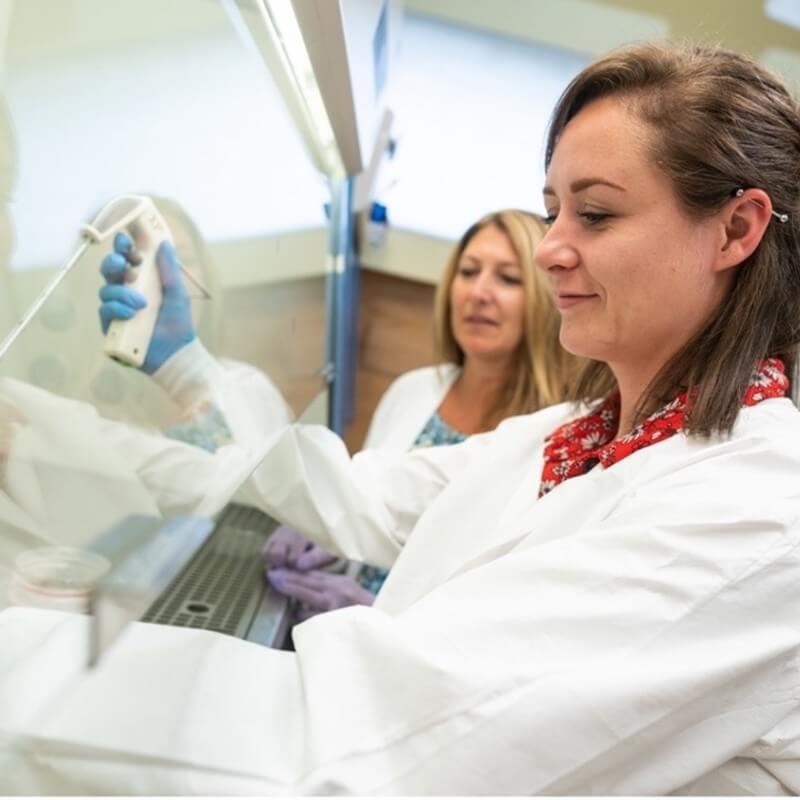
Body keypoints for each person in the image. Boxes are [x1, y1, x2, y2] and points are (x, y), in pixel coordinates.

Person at [12, 41, 800, 795]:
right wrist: (168, 372)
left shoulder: (755, 515)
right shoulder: (571, 437)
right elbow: (348, 495)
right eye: (551, 210)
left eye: (594, 214)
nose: (551, 248)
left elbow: (357, 752)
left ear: (735, 230)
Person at [263, 209, 576, 619]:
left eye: (508, 278)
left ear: (547, 299)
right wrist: (321, 537)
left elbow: (506, 609)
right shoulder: (412, 390)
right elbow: (375, 516)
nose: (479, 292)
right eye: (468, 272)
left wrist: (380, 616)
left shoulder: (557, 438)